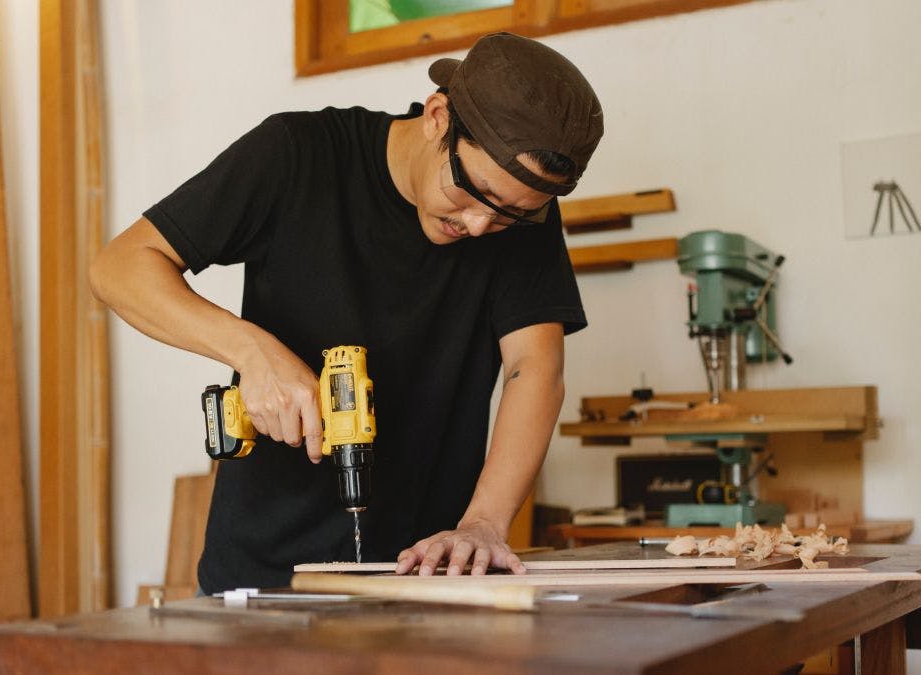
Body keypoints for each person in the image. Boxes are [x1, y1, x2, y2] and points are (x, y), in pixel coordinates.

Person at [90, 32, 603, 592]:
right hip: (264, 577)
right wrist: (253, 352)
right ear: (438, 117)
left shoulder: (520, 209)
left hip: (423, 573)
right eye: (470, 191)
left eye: (508, 215)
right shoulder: (296, 155)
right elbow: (121, 267)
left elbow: (535, 368)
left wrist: (483, 523)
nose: (479, 226)